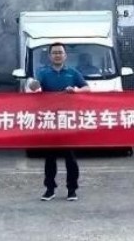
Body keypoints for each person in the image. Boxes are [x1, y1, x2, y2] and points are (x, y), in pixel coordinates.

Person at [28, 42, 90, 202]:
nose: (57, 55)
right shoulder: (43, 72)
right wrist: (33, 84)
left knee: (70, 157)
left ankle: (72, 189)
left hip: (67, 120)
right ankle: (50, 189)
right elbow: (34, 86)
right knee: (50, 157)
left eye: (60, 52)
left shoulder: (72, 72)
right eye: (54, 53)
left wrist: (75, 90)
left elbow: (86, 88)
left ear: (65, 55)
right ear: (50, 56)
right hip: (49, 120)